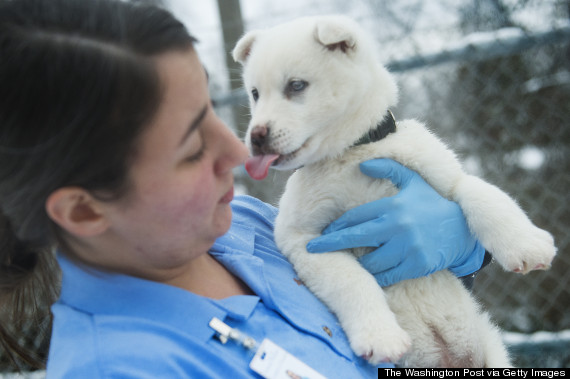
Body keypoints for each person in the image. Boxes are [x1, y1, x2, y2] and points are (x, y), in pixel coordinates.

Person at [0, 0, 486, 377]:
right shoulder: (130, 367)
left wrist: (463, 252)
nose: (237, 151)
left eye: (213, 107)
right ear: (84, 212)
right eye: (192, 148)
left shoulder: (248, 226)